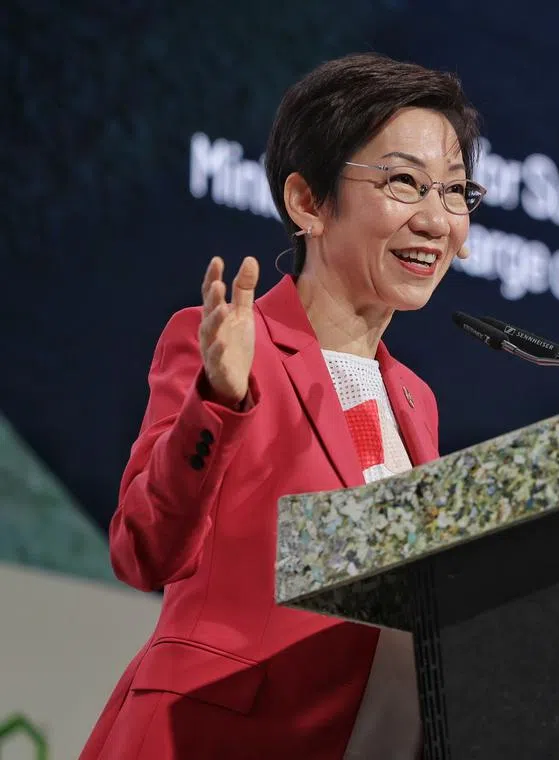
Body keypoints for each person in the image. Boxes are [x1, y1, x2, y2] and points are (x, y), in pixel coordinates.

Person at [79, 53, 484, 759]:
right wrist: (218, 400)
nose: (435, 220)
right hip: (211, 739)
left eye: (454, 192)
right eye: (404, 182)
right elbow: (143, 551)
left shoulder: (416, 401)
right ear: (307, 202)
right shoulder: (228, 350)